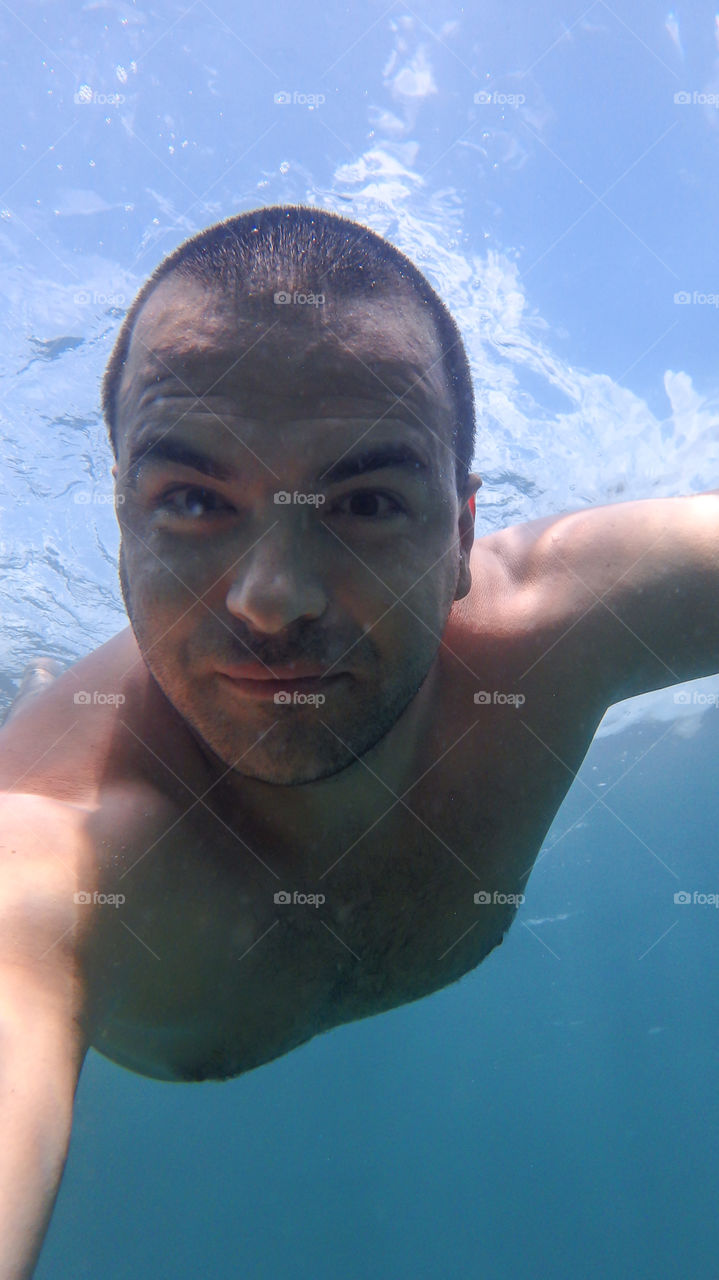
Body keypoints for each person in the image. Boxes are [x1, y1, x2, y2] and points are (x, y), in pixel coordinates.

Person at [0, 204, 717, 1276]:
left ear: (463, 534)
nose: (274, 599)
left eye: (368, 499)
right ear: (117, 527)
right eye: (192, 499)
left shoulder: (555, 626)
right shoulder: (59, 856)